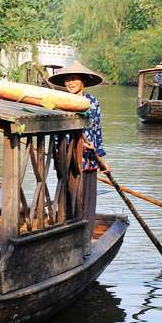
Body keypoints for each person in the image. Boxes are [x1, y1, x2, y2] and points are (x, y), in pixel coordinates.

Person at [48, 61, 109, 233]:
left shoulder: (92, 102)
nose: (70, 83)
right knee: (67, 197)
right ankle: (65, 232)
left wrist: (101, 159)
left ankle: (85, 236)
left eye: (74, 79)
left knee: (86, 199)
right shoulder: (59, 102)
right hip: (66, 156)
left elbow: (97, 131)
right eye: (67, 79)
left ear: (83, 81)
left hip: (88, 158)